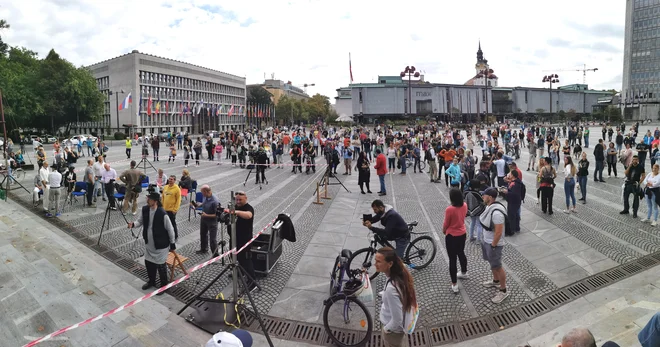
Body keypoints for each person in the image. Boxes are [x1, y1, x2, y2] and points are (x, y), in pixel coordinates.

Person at [128, 192, 176, 295]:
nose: (147, 200)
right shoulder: (145, 209)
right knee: (149, 263)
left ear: (155, 201)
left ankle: (164, 286)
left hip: (160, 245)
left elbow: (170, 229)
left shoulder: (162, 213)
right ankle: (151, 281)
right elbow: (140, 221)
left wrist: (172, 244)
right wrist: (133, 225)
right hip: (149, 243)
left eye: (149, 199)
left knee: (161, 266)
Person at [374, 247, 417, 347]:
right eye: (375, 260)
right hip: (397, 330)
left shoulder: (391, 289)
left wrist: (386, 329)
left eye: (379, 261)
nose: (375, 264)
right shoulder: (399, 274)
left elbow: (397, 320)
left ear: (390, 264)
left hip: (393, 332)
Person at [479, 187, 508, 304]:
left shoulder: (496, 213)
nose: (482, 197)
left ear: (490, 197)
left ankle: (503, 290)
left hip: (493, 244)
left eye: (484, 195)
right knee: (492, 263)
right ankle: (495, 281)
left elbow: (499, 232)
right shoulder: (489, 207)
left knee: (497, 266)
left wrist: (493, 245)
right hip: (487, 241)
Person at [225, 191, 257, 290]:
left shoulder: (248, 208)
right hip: (234, 239)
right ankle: (240, 272)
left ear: (245, 198)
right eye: (236, 199)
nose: (238, 201)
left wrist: (236, 212)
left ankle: (252, 282)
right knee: (234, 257)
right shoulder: (235, 206)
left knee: (245, 260)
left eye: (240, 199)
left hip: (244, 240)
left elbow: (248, 215)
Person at [443, 188, 468, 293]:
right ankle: (464, 272)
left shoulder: (449, 209)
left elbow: (446, 223)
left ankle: (454, 284)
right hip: (462, 233)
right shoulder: (465, 205)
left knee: (452, 259)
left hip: (452, 236)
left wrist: (444, 231)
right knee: (461, 253)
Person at [191, 185, 219, 255]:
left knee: (213, 239)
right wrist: (197, 205)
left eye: (202, 192)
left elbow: (217, 214)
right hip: (204, 218)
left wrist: (207, 215)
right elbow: (204, 203)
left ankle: (215, 254)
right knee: (203, 234)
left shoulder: (215, 201)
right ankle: (204, 249)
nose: (201, 194)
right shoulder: (205, 196)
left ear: (206, 191)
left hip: (212, 221)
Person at [162, 175, 181, 240]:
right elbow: (163, 197)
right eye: (169, 179)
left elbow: (178, 200)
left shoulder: (177, 189)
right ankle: (167, 234)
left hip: (172, 210)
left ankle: (175, 235)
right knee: (165, 223)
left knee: (172, 223)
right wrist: (161, 206)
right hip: (164, 209)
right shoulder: (165, 187)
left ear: (174, 180)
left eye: (171, 179)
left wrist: (175, 209)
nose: (170, 180)